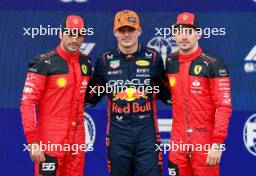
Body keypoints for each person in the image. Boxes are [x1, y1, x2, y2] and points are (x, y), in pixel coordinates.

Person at [85, 10, 171, 176]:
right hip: (118, 135)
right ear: (114, 32)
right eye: (121, 30)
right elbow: (90, 97)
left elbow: (169, 94)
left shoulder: (153, 58)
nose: (126, 35)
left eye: (130, 30)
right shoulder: (104, 61)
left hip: (147, 134)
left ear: (139, 30)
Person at [20, 15, 92, 176]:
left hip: (76, 144)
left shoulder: (86, 62)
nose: (74, 39)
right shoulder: (43, 63)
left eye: (79, 34)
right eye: (70, 33)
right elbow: (28, 103)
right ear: (60, 34)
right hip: (50, 143)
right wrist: (33, 141)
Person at [165, 12, 232, 176]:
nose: (184, 36)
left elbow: (223, 106)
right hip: (177, 145)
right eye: (180, 31)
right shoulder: (170, 61)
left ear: (199, 34)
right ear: (174, 34)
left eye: (189, 31)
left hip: (204, 144)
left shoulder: (214, 64)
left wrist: (217, 144)